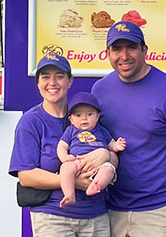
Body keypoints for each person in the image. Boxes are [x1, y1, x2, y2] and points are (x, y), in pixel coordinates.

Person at [92, 21, 166, 237]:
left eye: (131, 47)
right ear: (107, 53)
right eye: (117, 49)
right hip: (109, 208)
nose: (124, 56)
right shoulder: (99, 90)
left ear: (144, 50)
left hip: (159, 211)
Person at [9, 54, 114, 236]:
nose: (52, 83)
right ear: (38, 83)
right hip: (53, 217)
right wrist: (72, 181)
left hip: (95, 215)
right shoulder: (31, 121)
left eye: (59, 76)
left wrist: (105, 155)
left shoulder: (85, 114)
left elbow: (114, 159)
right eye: (45, 77)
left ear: (70, 81)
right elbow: (26, 175)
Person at [58, 92, 125, 207]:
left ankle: (95, 185)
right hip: (78, 161)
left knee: (109, 169)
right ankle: (69, 195)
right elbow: (62, 146)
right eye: (78, 115)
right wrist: (65, 157)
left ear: (97, 117)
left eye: (89, 114)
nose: (84, 118)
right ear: (71, 119)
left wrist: (117, 146)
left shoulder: (102, 131)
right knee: (65, 168)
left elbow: (111, 145)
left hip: (99, 164)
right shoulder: (71, 131)